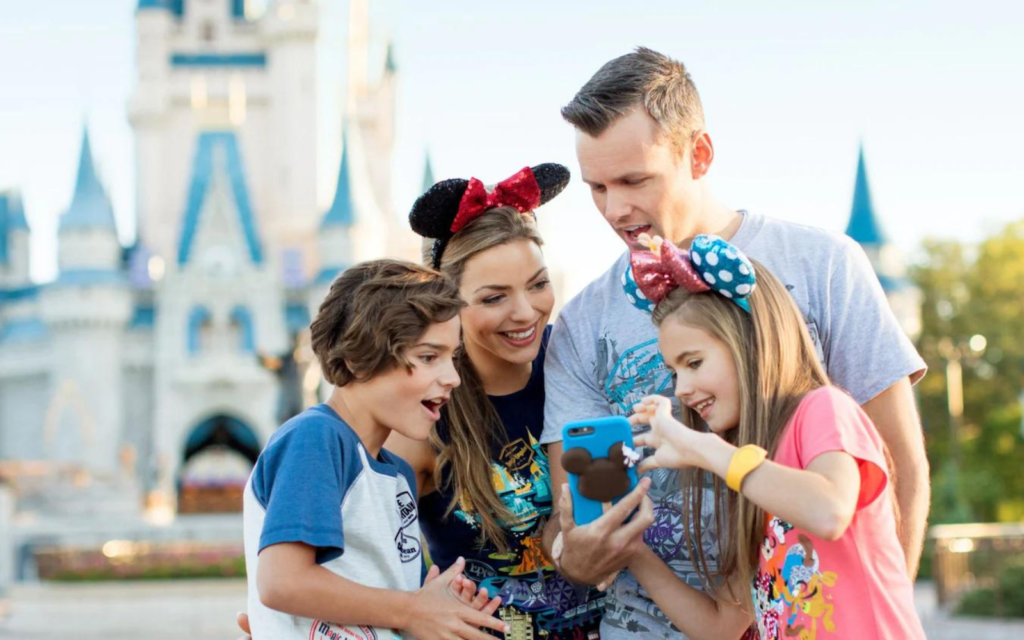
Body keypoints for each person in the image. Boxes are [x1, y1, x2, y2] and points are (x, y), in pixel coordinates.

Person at [540, 47, 928, 638]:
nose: (616, 209)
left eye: (634, 180)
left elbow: (897, 467)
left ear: (698, 154)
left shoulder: (825, 265)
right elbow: (565, 535)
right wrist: (578, 550)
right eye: (596, 187)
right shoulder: (578, 324)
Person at [387, 164, 649, 638]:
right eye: (493, 298)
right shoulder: (423, 413)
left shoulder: (578, 360)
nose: (525, 312)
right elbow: (364, 541)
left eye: (537, 284)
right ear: (447, 303)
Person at [624, 233, 925, 639]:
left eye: (694, 362)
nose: (680, 389)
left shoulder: (822, 409)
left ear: (751, 342)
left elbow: (829, 511)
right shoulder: (752, 465)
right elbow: (719, 627)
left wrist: (704, 449)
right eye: (675, 372)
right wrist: (631, 551)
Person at [242, 259, 509, 640]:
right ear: (358, 358)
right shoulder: (317, 439)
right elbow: (282, 582)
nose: (452, 378)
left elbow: (396, 612)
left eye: (453, 357)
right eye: (428, 357)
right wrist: (416, 609)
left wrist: (445, 610)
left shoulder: (397, 475)